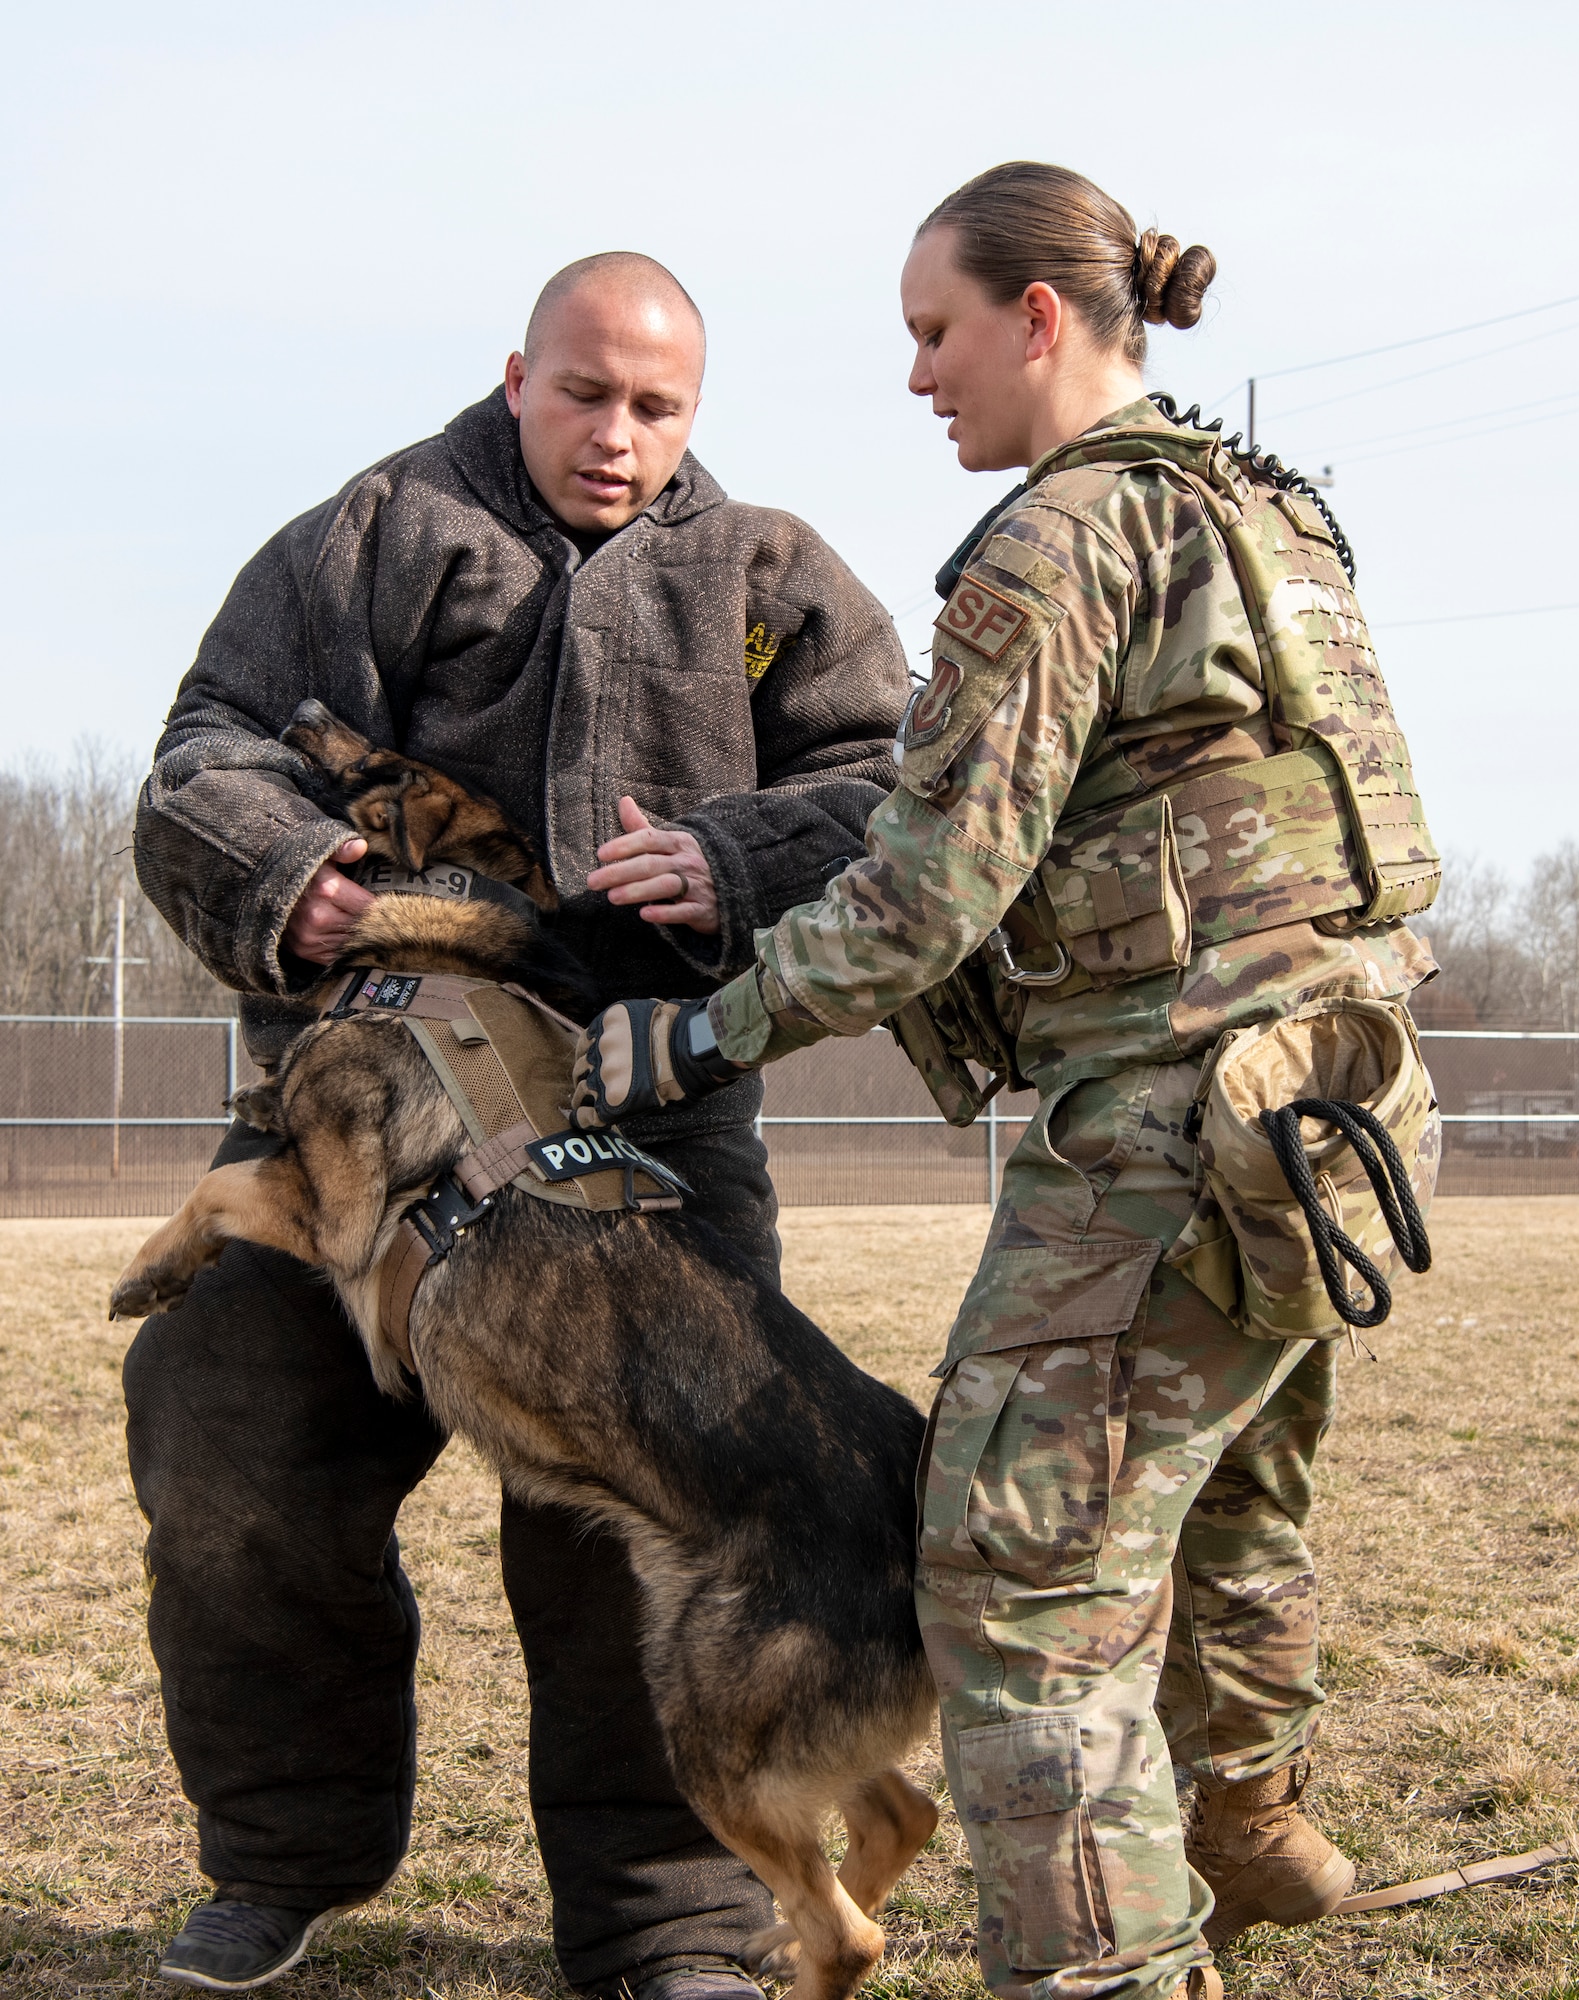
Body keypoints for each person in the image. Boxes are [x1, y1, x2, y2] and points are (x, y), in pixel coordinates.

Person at [570, 166, 1442, 2000]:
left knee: (1017, 1584)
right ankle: (1249, 1819)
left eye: (934, 333)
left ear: (1039, 318)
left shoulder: (1064, 540)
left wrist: (700, 1030)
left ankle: (1109, 1971)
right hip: (1329, 1109)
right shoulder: (1266, 506)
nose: (917, 379)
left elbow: (928, 889)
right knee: (1228, 1497)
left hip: (1164, 1133)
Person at [126, 251, 909, 1997]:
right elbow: (207, 744)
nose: (618, 436)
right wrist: (294, 870)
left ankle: (676, 1929)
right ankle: (283, 1859)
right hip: (368, 1122)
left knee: (675, 1515)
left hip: (650, 1115)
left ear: (695, 413)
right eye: (586, 393)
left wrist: (729, 857)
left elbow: (892, 783)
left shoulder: (770, 574)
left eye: (658, 407)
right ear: (516, 373)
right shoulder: (378, 533)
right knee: (226, 1447)